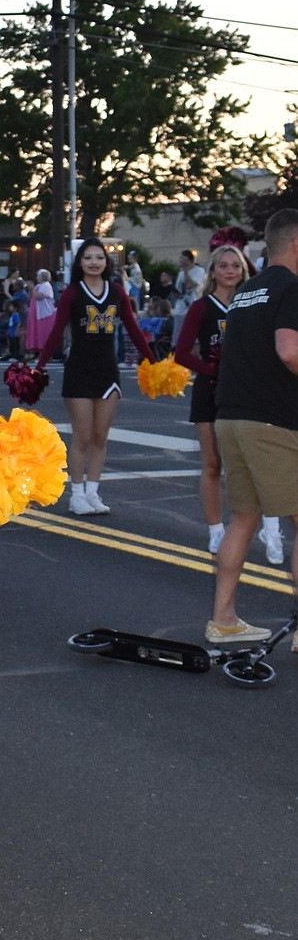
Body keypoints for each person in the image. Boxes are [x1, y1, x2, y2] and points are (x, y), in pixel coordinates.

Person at [207, 208, 298, 647]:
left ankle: (223, 619)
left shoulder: (247, 291)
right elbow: (289, 350)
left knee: (243, 518)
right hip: (274, 422)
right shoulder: (292, 289)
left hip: (232, 417)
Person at [174, 245, 286, 562]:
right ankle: (216, 531)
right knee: (212, 465)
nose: (229, 271)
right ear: (213, 272)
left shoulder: (253, 303)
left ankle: (271, 528)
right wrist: (217, 370)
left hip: (251, 394)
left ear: (243, 270)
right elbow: (182, 353)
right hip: (211, 392)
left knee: (260, 466)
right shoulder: (201, 307)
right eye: (222, 266)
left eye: (235, 265)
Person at [36, 237, 153, 517]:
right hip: (79, 370)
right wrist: (39, 365)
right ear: (80, 262)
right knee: (83, 436)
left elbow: (133, 328)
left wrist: (153, 359)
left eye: (98, 257)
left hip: (108, 372)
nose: (93, 262)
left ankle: (93, 492)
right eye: (87, 257)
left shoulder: (116, 292)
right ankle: (76, 494)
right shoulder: (72, 293)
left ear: (106, 261)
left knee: (101, 437)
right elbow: (57, 330)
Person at [26, 268, 57, 359]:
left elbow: (39, 297)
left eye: (38, 276)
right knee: (38, 334)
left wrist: (32, 289)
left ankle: (45, 354)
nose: (37, 277)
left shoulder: (46, 286)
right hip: (37, 314)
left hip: (45, 314)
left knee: (44, 334)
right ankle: (38, 352)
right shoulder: (39, 286)